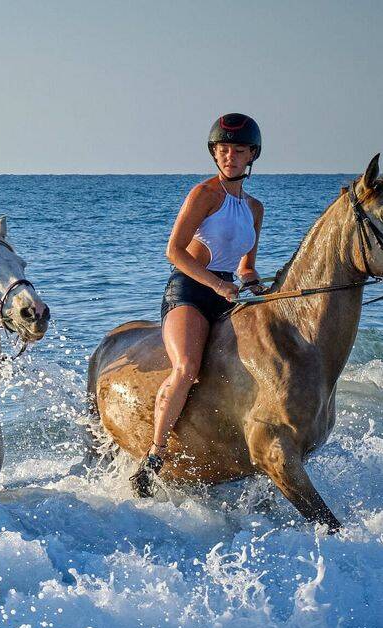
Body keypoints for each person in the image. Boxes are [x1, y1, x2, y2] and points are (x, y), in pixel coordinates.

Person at [130, 113, 266, 496]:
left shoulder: (255, 209)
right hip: (189, 291)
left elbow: (247, 267)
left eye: (238, 150)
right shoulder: (205, 195)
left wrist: (261, 288)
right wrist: (217, 286)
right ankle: (153, 457)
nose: (229, 156)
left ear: (251, 155)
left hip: (226, 293)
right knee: (188, 366)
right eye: (223, 150)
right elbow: (173, 251)